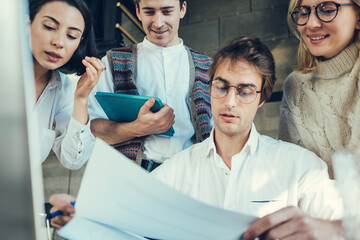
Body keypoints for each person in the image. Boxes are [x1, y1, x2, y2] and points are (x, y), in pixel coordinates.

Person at [50, 37, 345, 239]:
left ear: (261, 98)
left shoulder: (300, 167)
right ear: (209, 88)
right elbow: (125, 218)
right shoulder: (178, 170)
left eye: (244, 91)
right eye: (222, 87)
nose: (230, 101)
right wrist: (79, 213)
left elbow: (346, 225)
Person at [88, 0, 212, 172]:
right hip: (137, 174)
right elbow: (92, 128)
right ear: (138, 12)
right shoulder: (112, 63)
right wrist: (136, 128)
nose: (158, 23)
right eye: (149, 12)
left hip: (195, 172)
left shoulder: (208, 67)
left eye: (167, 11)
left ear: (182, 9)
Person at [278, 0, 360, 179]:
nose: (311, 24)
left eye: (327, 10)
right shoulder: (294, 87)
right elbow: (290, 177)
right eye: (303, 12)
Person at [30, 0, 105, 169]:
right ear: (27, 24)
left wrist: (81, 98)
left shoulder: (63, 91)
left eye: (71, 36)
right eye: (49, 27)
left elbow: (73, 160)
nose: (59, 42)